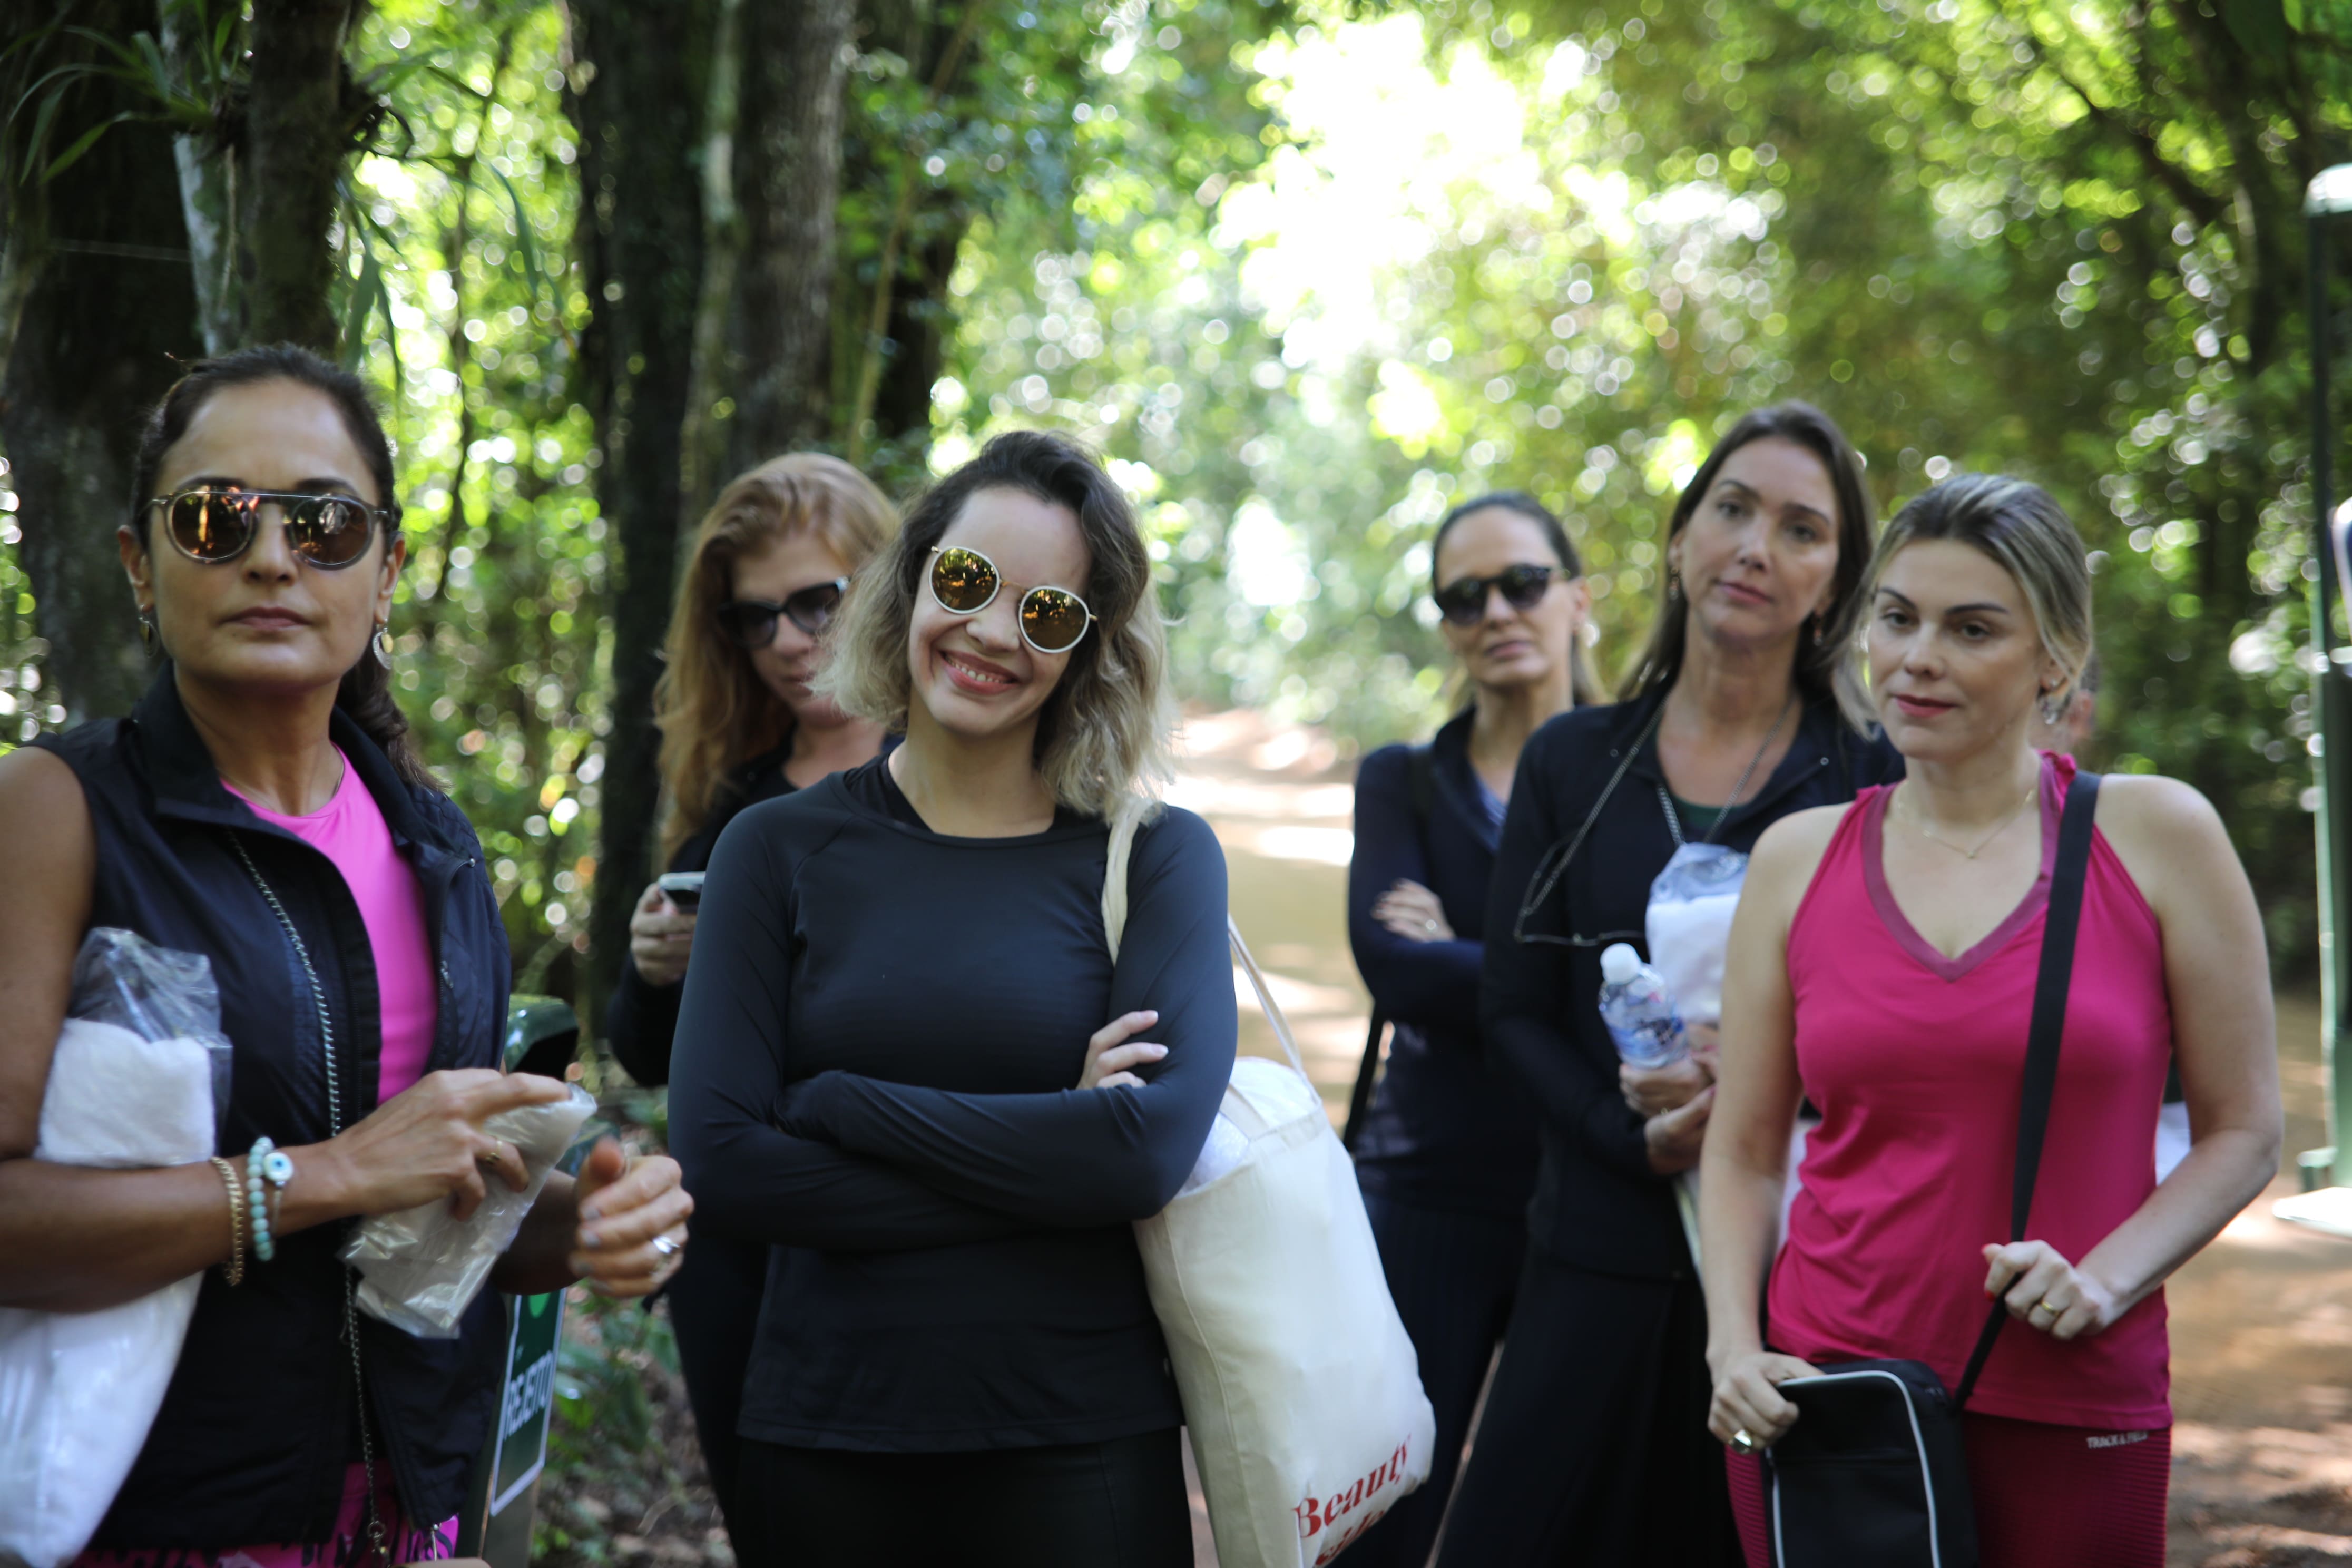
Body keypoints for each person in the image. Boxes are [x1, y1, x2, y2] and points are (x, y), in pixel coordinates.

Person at [0, 345, 689, 1559]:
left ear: (387, 573)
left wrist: (582, 1224)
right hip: (151, 1517)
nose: (273, 557)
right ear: (140, 564)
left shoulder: (435, 846)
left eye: (324, 525)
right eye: (215, 519)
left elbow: (434, 1217)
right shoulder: (60, 809)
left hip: (401, 1512)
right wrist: (318, 1176)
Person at [668, 430, 1235, 1567]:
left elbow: (1140, 1159)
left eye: (1048, 612)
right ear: (914, 578)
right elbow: (723, 1162)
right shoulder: (770, 849)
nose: (993, 633)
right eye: (968, 581)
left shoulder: (1156, 858)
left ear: (1088, 647)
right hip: (827, 1435)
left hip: (1080, 1439)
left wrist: (839, 1104)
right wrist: (1054, 1144)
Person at [1700, 475, 2281, 1568]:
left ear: (2055, 659)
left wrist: (2106, 1276)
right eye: (1898, 617)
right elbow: (1743, 1149)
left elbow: (2246, 1130)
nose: (1917, 658)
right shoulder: (1795, 859)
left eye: (1971, 629)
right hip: (1831, 1396)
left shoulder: (2159, 836)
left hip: (2072, 1393)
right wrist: (1732, 1347)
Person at [1438, 404, 1900, 1567]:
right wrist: (1626, 1134)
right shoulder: (1572, 759)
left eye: (1801, 529)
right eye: (1732, 509)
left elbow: (1911, 1024)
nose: (1755, 547)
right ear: (1682, 538)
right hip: (1593, 1247)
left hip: (1794, 1277)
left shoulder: (1871, 775)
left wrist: (1764, 1086)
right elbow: (1512, 1010)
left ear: (1834, 584)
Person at [602, 454, 894, 1534]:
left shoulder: (967, 770)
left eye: (817, 602)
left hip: (910, 1239)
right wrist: (652, 969)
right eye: (755, 618)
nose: (788, 641)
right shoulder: (734, 803)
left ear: (886, 582)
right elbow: (648, 1056)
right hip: (740, 1258)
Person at [1342, 491, 1602, 1568]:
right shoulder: (1402, 780)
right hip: (1425, 1194)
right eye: (1464, 597)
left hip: (1592, 1195)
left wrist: (1469, 946)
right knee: (1378, 1521)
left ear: (1577, 598)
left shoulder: (1639, 781)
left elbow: (1675, 990)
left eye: (1523, 584)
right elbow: (1396, 970)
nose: (1496, 611)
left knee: (1551, 1526)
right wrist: (1571, 966)